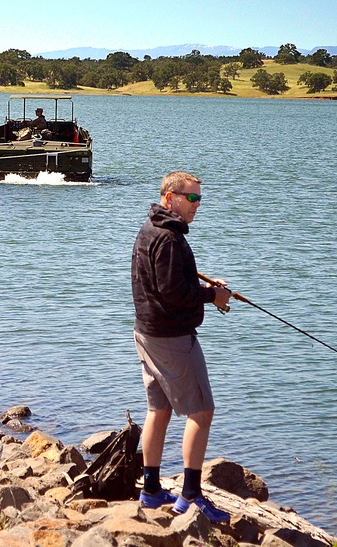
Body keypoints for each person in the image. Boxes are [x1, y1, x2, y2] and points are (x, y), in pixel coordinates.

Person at [131, 171, 232, 523]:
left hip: (146, 333)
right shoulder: (170, 239)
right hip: (171, 338)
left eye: (200, 199)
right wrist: (212, 296)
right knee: (201, 412)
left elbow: (166, 280)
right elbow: (173, 294)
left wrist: (202, 283)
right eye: (192, 199)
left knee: (159, 409)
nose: (197, 206)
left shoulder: (150, 229)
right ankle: (190, 496)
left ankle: (151, 489)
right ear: (170, 197)